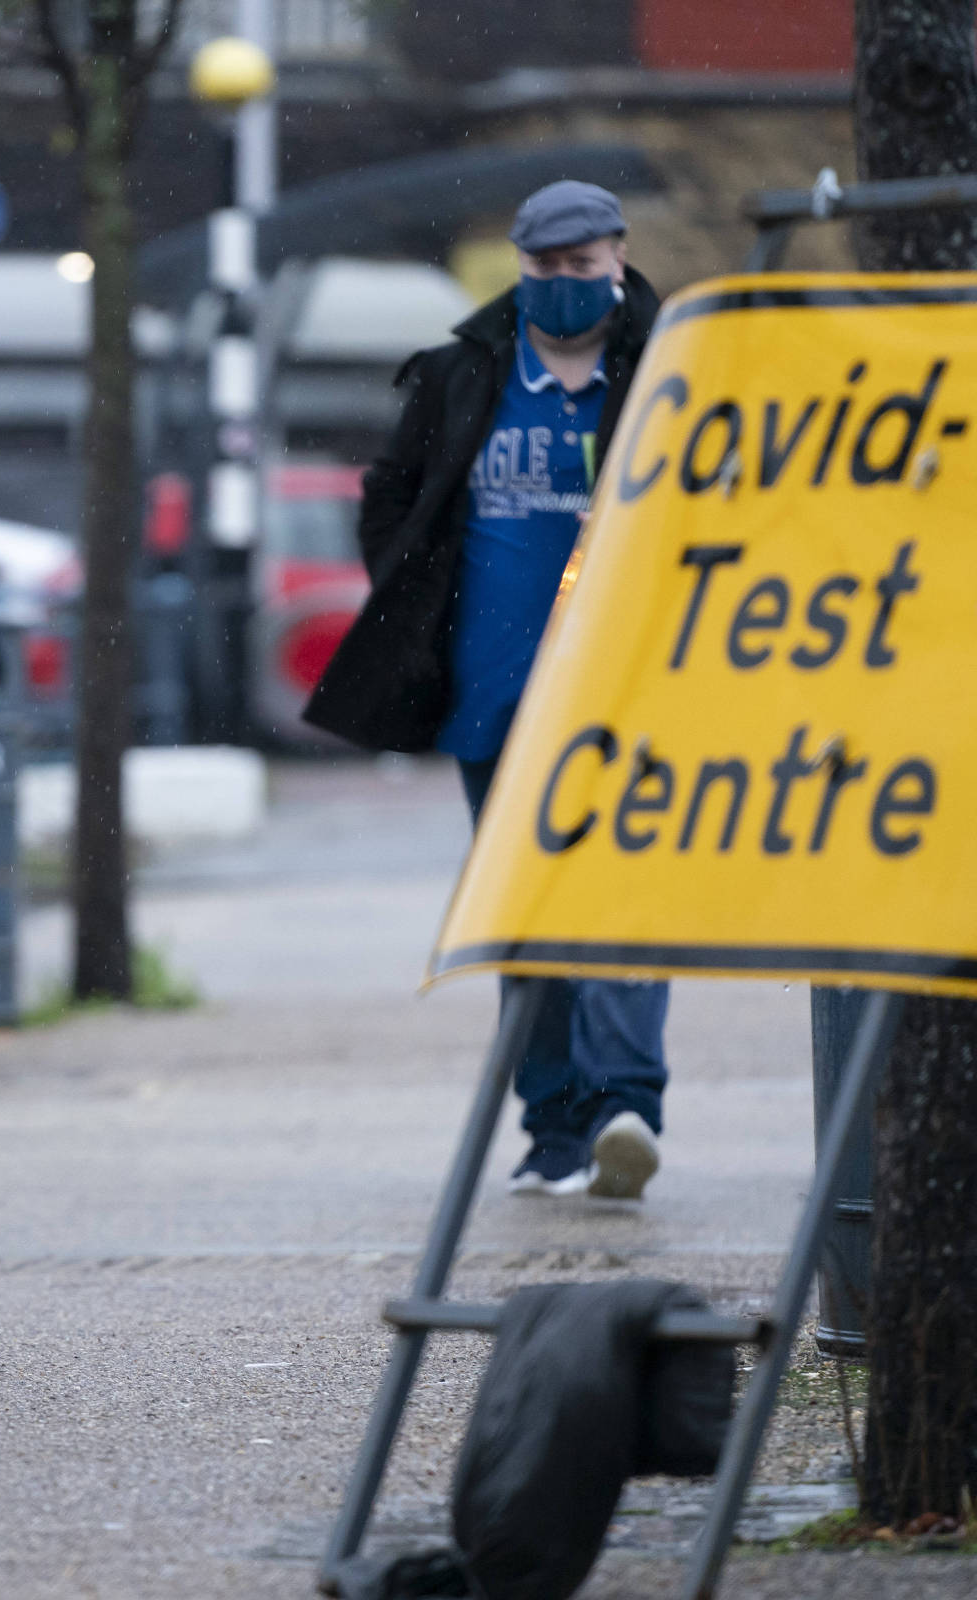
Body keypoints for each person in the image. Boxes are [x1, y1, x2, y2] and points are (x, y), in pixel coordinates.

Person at [304, 180, 668, 1200]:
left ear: (619, 257)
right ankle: (554, 1128)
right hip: (491, 696)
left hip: (629, 691)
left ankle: (625, 1105)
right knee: (527, 912)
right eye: (546, 269)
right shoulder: (466, 372)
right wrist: (416, 613)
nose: (565, 285)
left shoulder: (671, 372)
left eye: (584, 267)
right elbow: (391, 496)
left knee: (624, 900)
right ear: (521, 266)